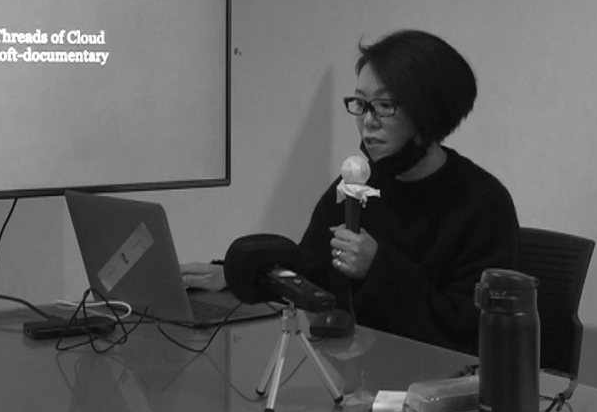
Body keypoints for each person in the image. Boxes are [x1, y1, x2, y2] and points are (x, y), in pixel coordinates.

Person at [182, 29, 519, 354]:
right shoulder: (356, 186)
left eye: (384, 105)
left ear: (429, 113)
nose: (368, 121)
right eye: (360, 104)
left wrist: (378, 267)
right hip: (354, 375)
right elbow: (310, 272)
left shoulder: (483, 205)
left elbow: (467, 332)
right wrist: (237, 275)